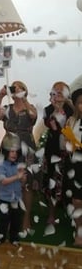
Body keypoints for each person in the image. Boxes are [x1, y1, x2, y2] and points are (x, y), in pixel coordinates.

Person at [0, 81, 38, 232]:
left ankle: (25, 219)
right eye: (14, 88)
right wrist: (0, 96)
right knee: (10, 183)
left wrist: (23, 98)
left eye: (19, 88)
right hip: (9, 147)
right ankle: (11, 219)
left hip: (26, 149)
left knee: (26, 184)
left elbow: (33, 115)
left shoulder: (29, 108)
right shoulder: (7, 108)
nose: (15, 90)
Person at [42, 81, 74, 224]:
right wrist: (56, 109)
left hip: (71, 153)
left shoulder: (72, 108)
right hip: (53, 152)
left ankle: (72, 214)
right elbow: (53, 127)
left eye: (63, 90)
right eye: (57, 90)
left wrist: (68, 102)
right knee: (52, 182)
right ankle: (51, 214)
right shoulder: (48, 109)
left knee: (70, 182)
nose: (59, 92)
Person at [0, 132, 26, 246]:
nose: (14, 154)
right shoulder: (1, 165)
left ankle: (14, 237)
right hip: (4, 199)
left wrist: (22, 177)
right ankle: (0, 237)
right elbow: (3, 181)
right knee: (3, 220)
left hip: (16, 199)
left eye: (16, 152)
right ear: (6, 151)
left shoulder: (19, 165)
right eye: (12, 151)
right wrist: (17, 176)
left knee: (16, 221)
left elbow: (23, 182)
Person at [63, 88, 82, 247]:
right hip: (76, 163)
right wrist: (69, 142)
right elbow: (66, 145)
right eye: (80, 103)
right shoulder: (71, 120)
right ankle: (79, 231)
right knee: (77, 199)